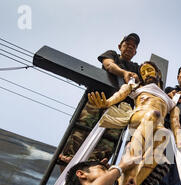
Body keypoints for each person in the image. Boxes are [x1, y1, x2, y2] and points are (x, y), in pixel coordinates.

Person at [88, 61, 181, 185]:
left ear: (158, 74)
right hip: (139, 118)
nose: (146, 74)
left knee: (165, 134)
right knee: (154, 115)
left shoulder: (170, 100)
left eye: (149, 70)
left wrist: (180, 142)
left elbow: (175, 122)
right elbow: (120, 94)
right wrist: (106, 103)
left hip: (156, 127)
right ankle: (130, 178)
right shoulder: (137, 87)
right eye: (143, 72)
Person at [58, 33, 141, 167]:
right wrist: (124, 73)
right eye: (127, 44)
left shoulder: (136, 68)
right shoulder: (112, 54)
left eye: (133, 46)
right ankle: (69, 158)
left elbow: (143, 82)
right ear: (120, 46)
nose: (130, 48)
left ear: (135, 52)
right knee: (82, 128)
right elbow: (109, 65)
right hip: (96, 98)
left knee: (109, 139)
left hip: (118, 110)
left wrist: (136, 78)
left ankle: (94, 163)